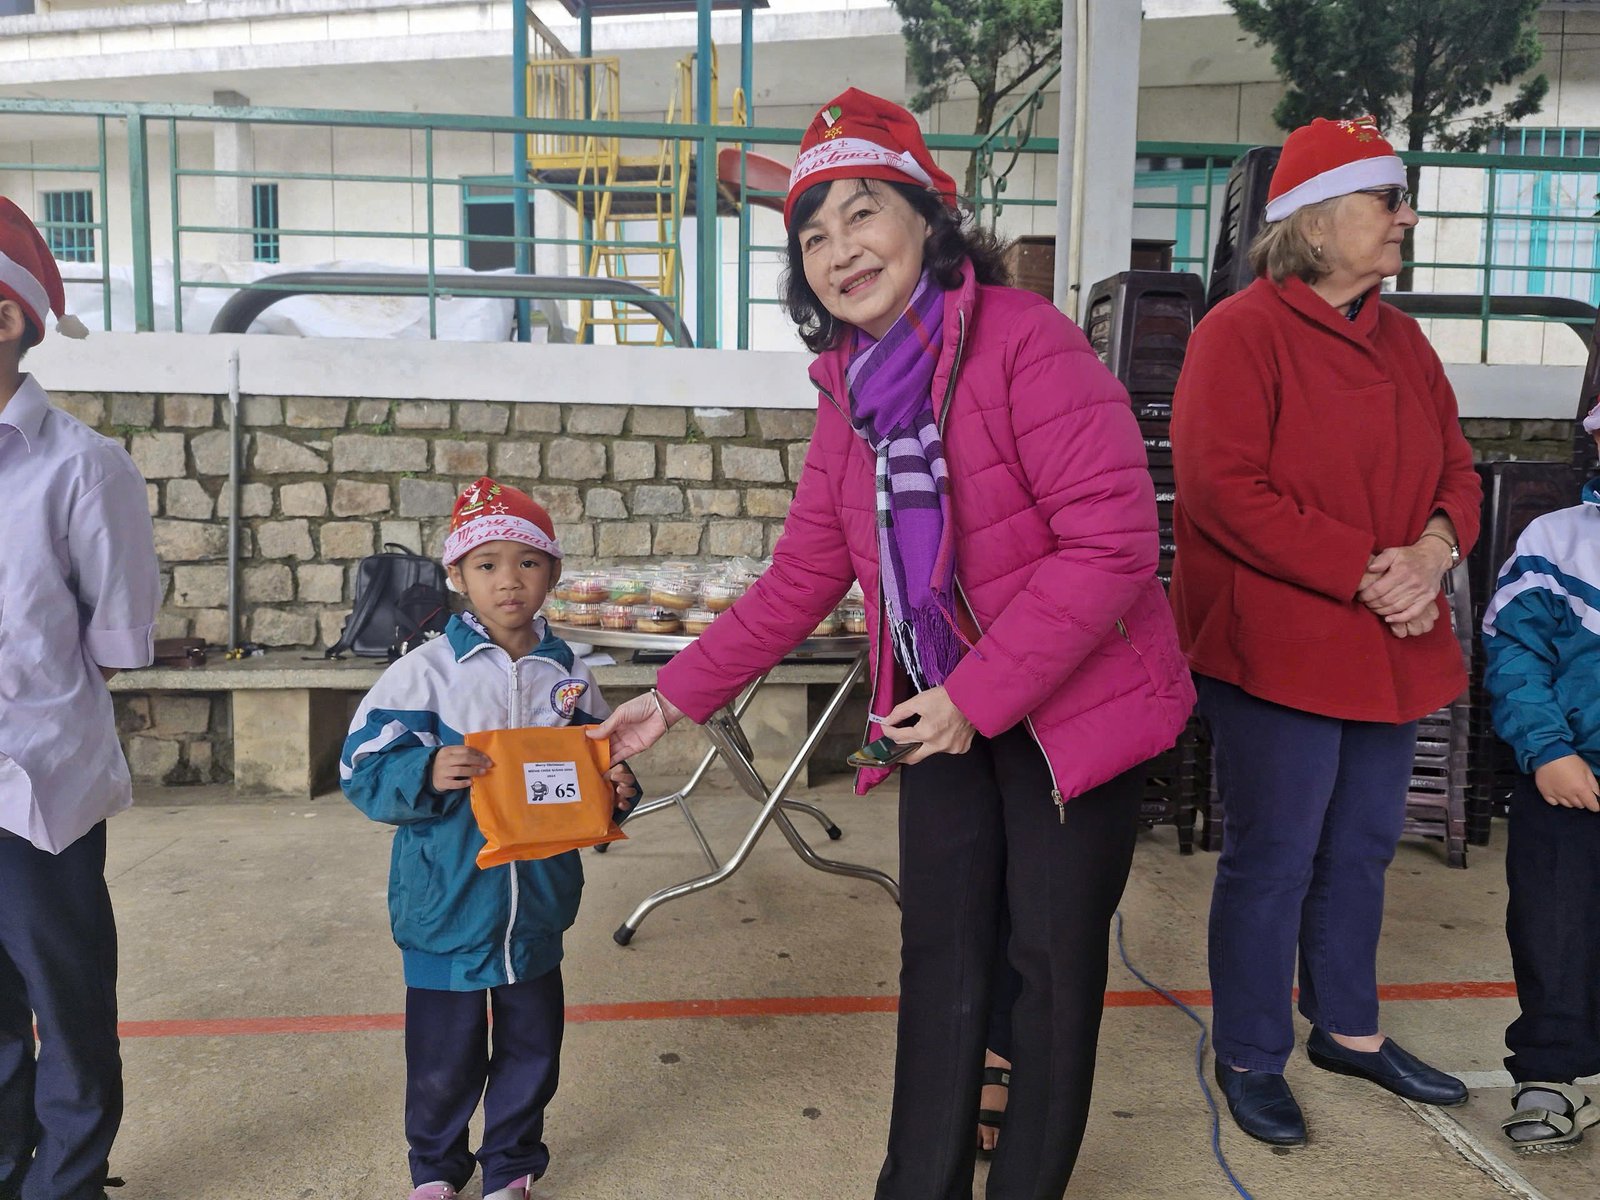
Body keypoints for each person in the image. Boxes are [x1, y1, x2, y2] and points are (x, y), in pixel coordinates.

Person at [591, 88, 1195, 1199]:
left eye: (862, 213)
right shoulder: (849, 395)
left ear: (927, 219)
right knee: (941, 955)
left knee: (1050, 965)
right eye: (813, 235)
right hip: (941, 706)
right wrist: (669, 700)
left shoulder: (1029, 344)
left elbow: (1113, 545)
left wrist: (979, 694)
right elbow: (800, 579)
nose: (839, 251)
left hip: (1074, 708)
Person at [1169, 116, 1483, 1147]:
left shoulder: (1404, 341)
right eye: (1386, 200)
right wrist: (1367, 571)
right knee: (1274, 856)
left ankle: (1346, 1030)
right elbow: (1223, 491)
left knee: (1362, 846)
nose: (1406, 217)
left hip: (1392, 633)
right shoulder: (1239, 333)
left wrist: (1431, 553)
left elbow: (1456, 469)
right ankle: (1251, 1052)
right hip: (1284, 645)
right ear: (1312, 224)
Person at [341, 477, 638, 1200]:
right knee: (442, 1059)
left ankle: (512, 1166)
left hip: (536, 906)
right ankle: (436, 1170)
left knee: (532, 1049)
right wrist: (424, 769)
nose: (509, 580)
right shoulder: (423, 674)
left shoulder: (570, 676)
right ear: (457, 575)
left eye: (528, 562)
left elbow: (598, 766)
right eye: (487, 564)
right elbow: (359, 767)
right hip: (445, 903)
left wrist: (618, 789)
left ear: (553, 573)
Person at [0, 198, 159, 1200]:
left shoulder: (83, 469)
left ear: (6, 318)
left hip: (35, 787)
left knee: (65, 999)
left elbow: (116, 636)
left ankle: (66, 1181)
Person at [1480, 402, 1600, 1152]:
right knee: (1553, 929)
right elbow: (1515, 652)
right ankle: (1551, 1076)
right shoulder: (1555, 541)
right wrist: (1548, 749)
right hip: (1569, 779)